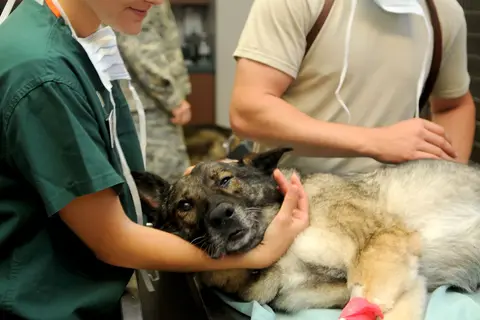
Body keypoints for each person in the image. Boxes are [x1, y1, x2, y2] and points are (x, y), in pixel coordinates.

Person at [0, 0, 309, 319]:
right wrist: (258, 254)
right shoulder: (43, 73)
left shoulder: (83, 40)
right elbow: (112, 240)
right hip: (43, 305)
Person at [229, 0, 476, 175]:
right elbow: (249, 109)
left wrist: (446, 180)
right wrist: (376, 141)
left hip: (396, 204)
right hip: (293, 200)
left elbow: (453, 104)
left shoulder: (444, 13)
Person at [116, 0, 192, 183]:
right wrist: (173, 99)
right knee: (164, 188)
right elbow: (140, 48)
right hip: (148, 108)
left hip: (146, 104)